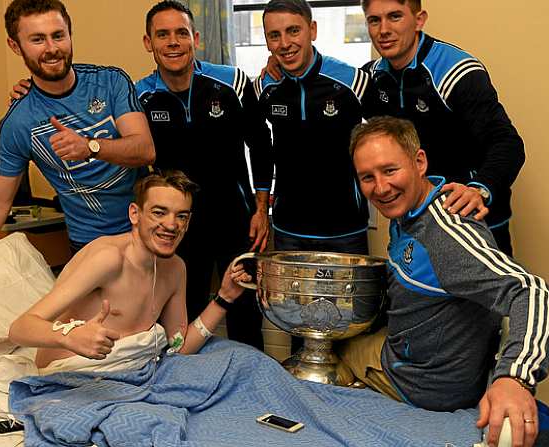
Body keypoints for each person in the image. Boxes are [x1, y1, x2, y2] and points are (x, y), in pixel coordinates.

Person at [341, 116, 549, 447]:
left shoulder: (446, 235)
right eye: (367, 177)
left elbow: (534, 293)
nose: (381, 188)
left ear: (419, 162)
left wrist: (515, 378)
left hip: (424, 384)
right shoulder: (409, 211)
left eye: (390, 170)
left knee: (332, 354)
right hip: (416, 353)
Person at [0, 0, 155, 259]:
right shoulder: (18, 122)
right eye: (38, 39)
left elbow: (145, 150)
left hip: (146, 234)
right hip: (90, 247)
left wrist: (90, 147)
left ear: (70, 36)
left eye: (58, 36)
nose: (52, 49)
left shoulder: (110, 81)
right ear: (15, 46)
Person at [8, 170, 251, 370]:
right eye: (159, 212)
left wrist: (225, 297)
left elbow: (179, 348)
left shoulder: (175, 268)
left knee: (244, 363)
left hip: (131, 373)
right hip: (73, 375)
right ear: (135, 214)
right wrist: (69, 336)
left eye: (181, 216)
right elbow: (20, 329)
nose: (171, 225)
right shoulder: (108, 259)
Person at [135, 1, 273, 350]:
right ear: (148, 43)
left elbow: (261, 144)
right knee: (186, 314)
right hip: (176, 225)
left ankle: (252, 383)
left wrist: (261, 210)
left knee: (244, 313)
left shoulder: (233, 82)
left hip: (235, 217)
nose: (173, 42)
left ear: (195, 38)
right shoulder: (139, 96)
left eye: (181, 33)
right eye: (162, 34)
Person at [360, 0, 524, 255]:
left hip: (472, 223)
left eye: (394, 17)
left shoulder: (455, 71)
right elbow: (326, 83)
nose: (383, 30)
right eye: (374, 20)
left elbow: (507, 143)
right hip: (415, 225)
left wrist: (478, 189)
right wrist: (276, 70)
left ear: (419, 19)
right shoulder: (373, 77)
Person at [255, 0, 371, 255]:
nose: (284, 44)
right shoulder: (264, 87)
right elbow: (261, 150)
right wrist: (261, 208)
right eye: (275, 35)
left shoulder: (353, 81)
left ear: (312, 30)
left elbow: (392, 136)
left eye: (293, 31)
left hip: (346, 230)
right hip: (288, 230)